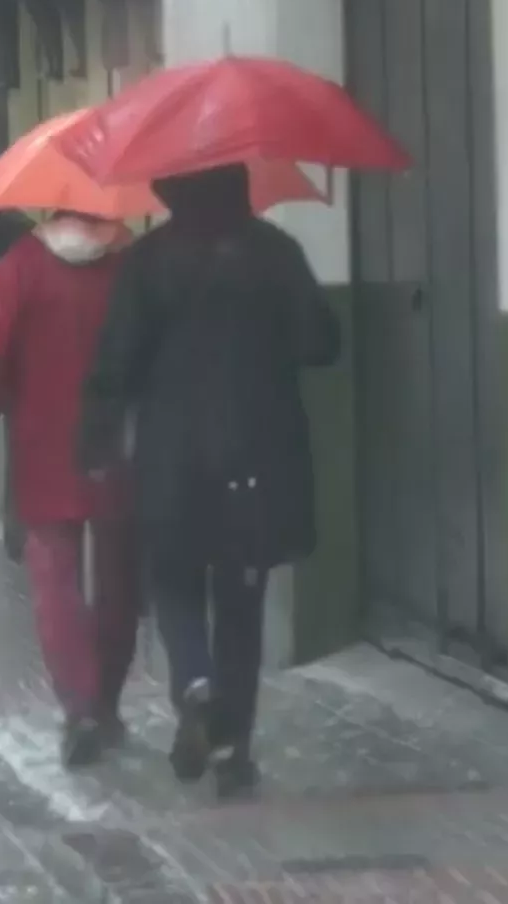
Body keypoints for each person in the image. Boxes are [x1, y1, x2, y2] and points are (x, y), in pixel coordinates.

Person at [76, 164, 340, 797]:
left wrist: (95, 438)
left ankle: (196, 685)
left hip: (173, 459)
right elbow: (321, 342)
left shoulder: (148, 262)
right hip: (257, 454)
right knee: (242, 605)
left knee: (173, 580)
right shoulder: (275, 252)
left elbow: (117, 360)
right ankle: (232, 753)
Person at [0, 211, 138, 767]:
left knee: (55, 581)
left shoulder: (24, 266)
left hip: (46, 449)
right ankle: (106, 701)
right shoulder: (129, 264)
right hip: (119, 450)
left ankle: (78, 705)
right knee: (118, 581)